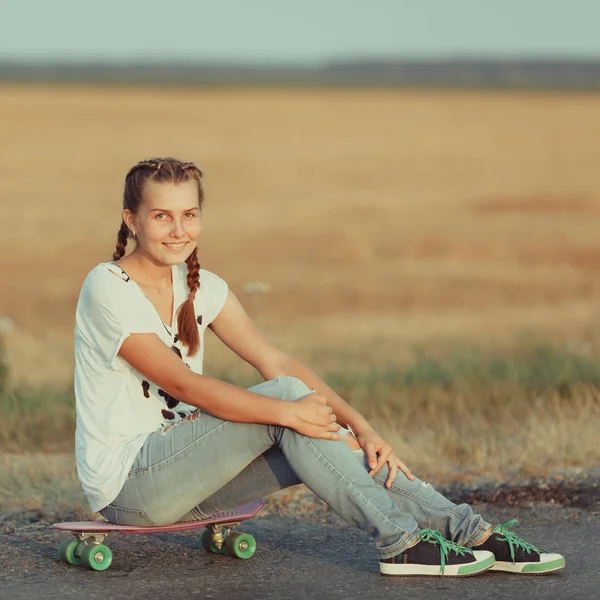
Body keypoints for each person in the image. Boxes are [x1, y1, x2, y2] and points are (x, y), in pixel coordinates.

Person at [74, 157, 565, 577]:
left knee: (322, 426)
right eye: (162, 216)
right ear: (132, 220)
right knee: (289, 400)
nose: (178, 230)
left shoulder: (205, 286)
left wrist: (360, 426)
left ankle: (472, 533)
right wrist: (289, 411)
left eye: (189, 214)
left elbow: (277, 360)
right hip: (132, 487)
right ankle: (401, 543)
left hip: (194, 483)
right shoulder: (107, 286)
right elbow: (184, 383)